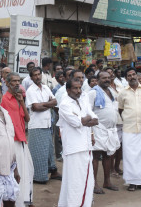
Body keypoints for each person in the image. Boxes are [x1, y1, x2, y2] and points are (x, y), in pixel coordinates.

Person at [57, 78, 98, 207]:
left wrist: (83, 120)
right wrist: (84, 120)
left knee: (87, 180)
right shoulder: (64, 104)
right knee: (74, 182)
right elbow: (76, 122)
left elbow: (95, 119)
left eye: (80, 88)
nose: (78, 91)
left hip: (85, 146)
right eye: (75, 88)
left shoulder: (83, 100)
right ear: (68, 90)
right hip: (73, 148)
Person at [118, 67, 141, 192]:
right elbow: (120, 110)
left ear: (137, 76)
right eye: (129, 75)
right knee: (130, 157)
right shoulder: (122, 93)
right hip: (129, 129)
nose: (132, 77)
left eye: (133, 74)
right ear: (126, 78)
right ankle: (132, 182)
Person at [1, 73, 34, 207]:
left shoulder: (18, 98)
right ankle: (18, 202)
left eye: (18, 81)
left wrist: (21, 101)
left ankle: (26, 199)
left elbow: (27, 119)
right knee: (17, 173)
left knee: (27, 171)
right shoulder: (4, 99)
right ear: (7, 83)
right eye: (13, 81)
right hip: (12, 140)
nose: (16, 83)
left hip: (21, 138)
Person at [26, 67, 61, 184]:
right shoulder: (31, 90)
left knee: (49, 149)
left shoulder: (45, 88)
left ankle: (53, 171)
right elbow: (36, 108)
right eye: (35, 75)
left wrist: (44, 104)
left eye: (39, 74)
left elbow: (55, 101)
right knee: (38, 152)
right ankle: (39, 177)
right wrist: (48, 104)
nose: (37, 77)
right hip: (36, 125)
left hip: (46, 123)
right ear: (31, 77)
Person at [88, 71, 120, 194]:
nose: (106, 80)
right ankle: (94, 183)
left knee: (108, 155)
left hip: (110, 129)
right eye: (103, 78)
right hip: (98, 128)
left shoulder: (111, 92)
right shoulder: (93, 93)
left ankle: (107, 181)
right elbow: (88, 110)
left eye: (108, 78)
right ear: (97, 79)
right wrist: (91, 132)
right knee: (95, 156)